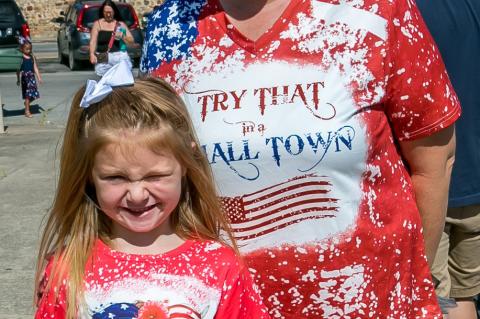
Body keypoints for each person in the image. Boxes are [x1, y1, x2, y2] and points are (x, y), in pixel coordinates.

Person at [140, 0, 461, 317]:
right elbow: (150, 170)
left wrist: (409, 287)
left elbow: (434, 163)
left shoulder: (375, 9)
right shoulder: (168, 26)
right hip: (222, 305)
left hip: (369, 303)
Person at [34, 62, 270, 319]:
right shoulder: (68, 269)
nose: (137, 195)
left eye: (155, 176)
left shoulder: (220, 267)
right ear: (89, 176)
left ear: (185, 165)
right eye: (115, 177)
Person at [415, 1, 480, 318]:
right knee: (463, 296)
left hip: (428, 185)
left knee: (438, 299)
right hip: (475, 181)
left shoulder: (398, 10)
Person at [89, 0, 134, 76]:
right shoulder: (97, 24)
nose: (108, 15)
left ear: (114, 12)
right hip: (103, 57)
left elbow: (131, 41)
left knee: (122, 82)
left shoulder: (120, 24)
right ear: (103, 12)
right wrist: (92, 54)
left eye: (110, 12)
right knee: (105, 82)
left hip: (119, 56)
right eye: (106, 12)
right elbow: (93, 41)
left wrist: (122, 37)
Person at [16, 40, 42, 118]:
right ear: (22, 49)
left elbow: (35, 68)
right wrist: (18, 79)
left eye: (30, 49)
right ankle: (27, 111)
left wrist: (39, 77)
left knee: (34, 95)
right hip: (25, 79)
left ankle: (26, 103)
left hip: (32, 78)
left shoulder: (32, 57)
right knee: (27, 95)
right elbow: (17, 70)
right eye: (27, 49)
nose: (28, 51)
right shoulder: (21, 58)